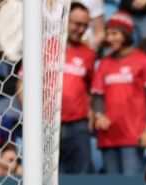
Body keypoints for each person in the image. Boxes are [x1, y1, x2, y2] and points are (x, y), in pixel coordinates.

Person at [92, 12, 146, 175]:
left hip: (133, 135)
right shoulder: (103, 63)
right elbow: (98, 95)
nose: (109, 38)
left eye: (114, 33)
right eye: (107, 33)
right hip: (108, 136)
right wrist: (99, 115)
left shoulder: (144, 60)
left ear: (126, 34)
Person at [61, 2, 97, 174]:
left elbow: (91, 89)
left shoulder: (89, 54)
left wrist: (91, 112)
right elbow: (23, 83)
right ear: (64, 21)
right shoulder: (46, 47)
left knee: (81, 175)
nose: (81, 29)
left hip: (78, 125)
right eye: (76, 24)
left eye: (85, 25)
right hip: (48, 125)